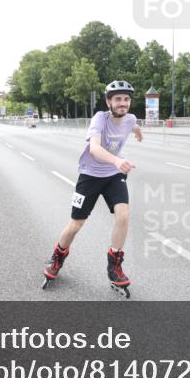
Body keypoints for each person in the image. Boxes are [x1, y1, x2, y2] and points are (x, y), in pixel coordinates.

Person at [42, 80, 143, 297]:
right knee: (76, 224)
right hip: (90, 175)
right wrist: (117, 161)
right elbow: (95, 149)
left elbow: (132, 124)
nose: (123, 103)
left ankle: (114, 266)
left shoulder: (131, 118)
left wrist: (138, 132)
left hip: (113, 176)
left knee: (123, 216)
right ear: (109, 101)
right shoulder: (100, 118)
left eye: (126, 99)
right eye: (117, 99)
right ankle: (57, 258)